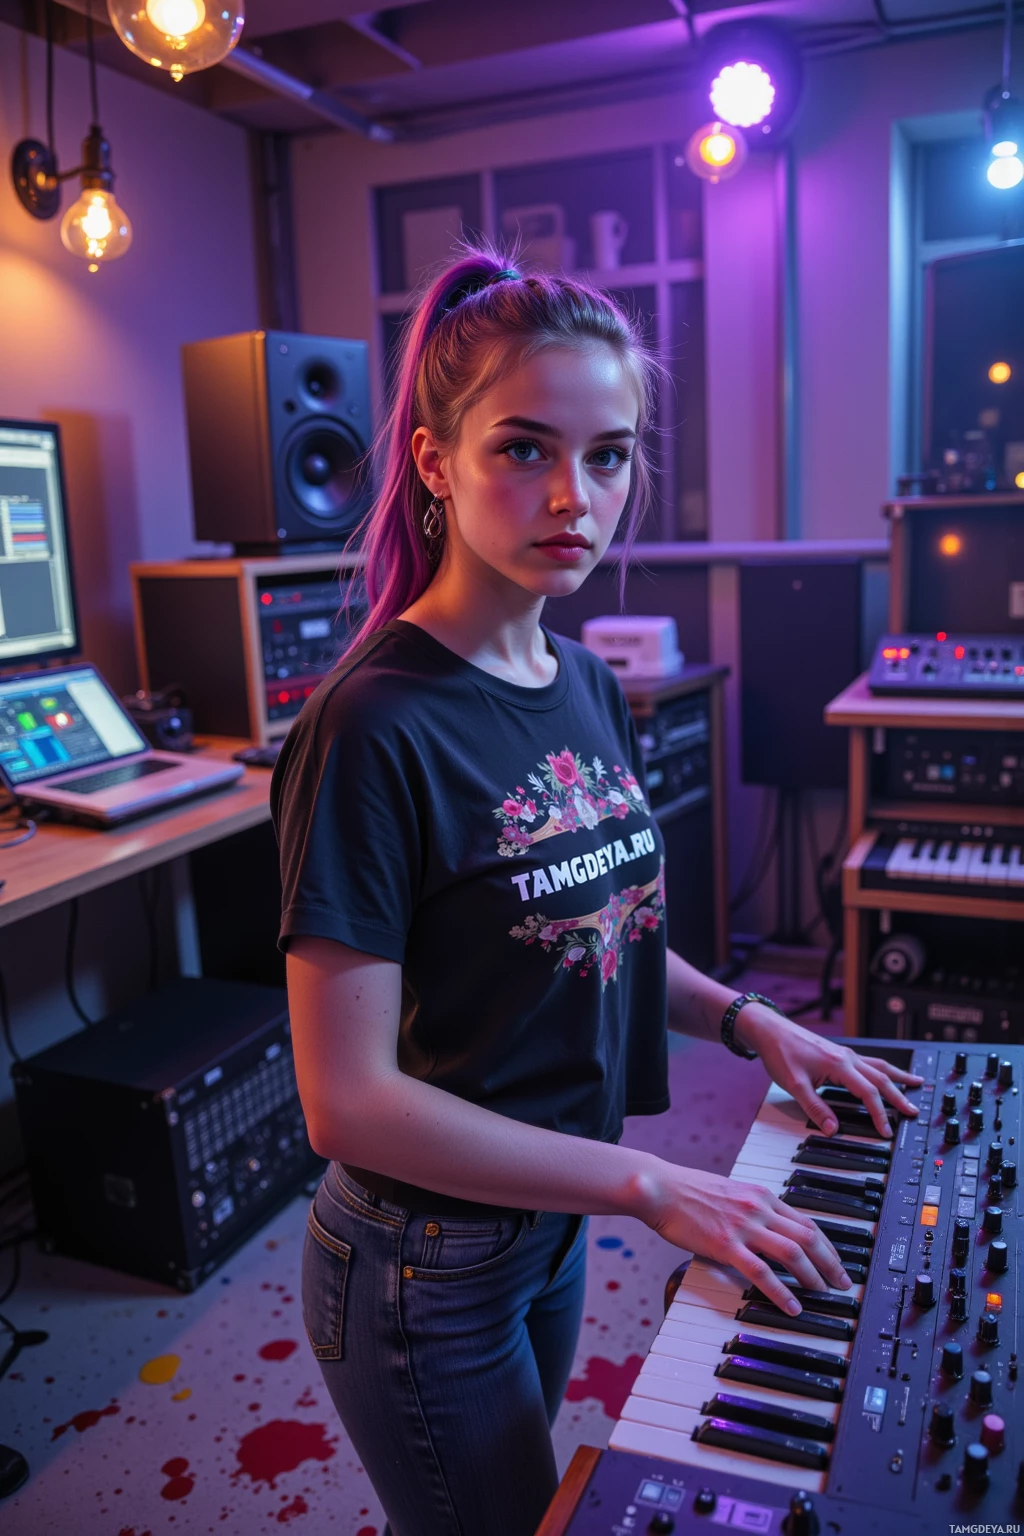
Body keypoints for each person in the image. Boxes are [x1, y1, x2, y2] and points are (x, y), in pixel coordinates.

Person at [270, 249, 921, 1536]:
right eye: (524, 448)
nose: (576, 495)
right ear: (430, 461)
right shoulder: (371, 727)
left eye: (611, 454)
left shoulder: (582, 682)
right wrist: (646, 1186)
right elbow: (345, 1105)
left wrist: (753, 1021)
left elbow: (599, 936)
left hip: (550, 1214)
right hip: (420, 1255)